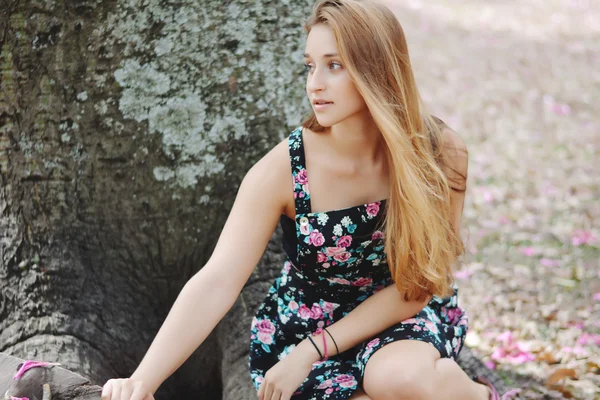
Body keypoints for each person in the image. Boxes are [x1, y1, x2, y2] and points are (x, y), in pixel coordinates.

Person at [102, 0, 506, 399]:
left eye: (334, 65)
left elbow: (417, 287)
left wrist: (312, 351)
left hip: (399, 321)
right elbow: (217, 279)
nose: (315, 83)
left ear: (378, 70)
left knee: (400, 379)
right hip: (302, 330)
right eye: (310, 66)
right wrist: (142, 381)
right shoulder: (284, 170)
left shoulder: (439, 153)